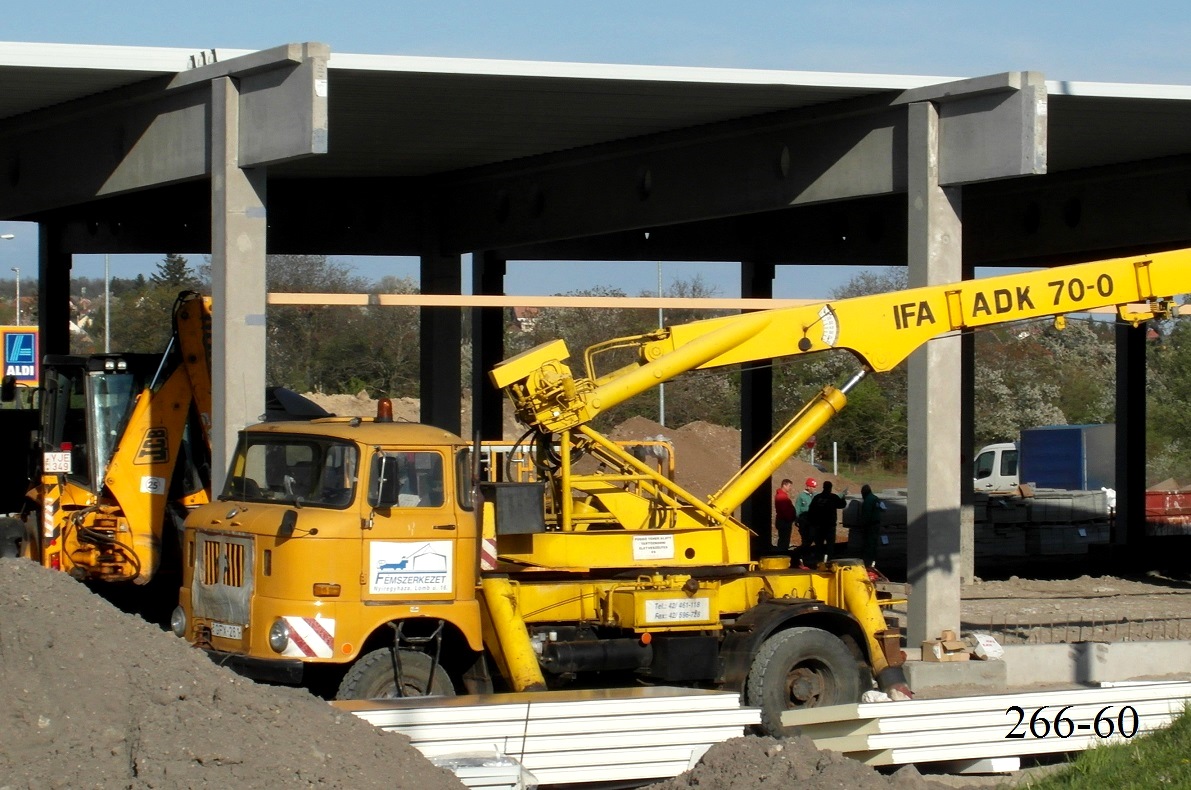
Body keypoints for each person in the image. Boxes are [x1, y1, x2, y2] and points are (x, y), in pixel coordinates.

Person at [805, 480, 847, 563]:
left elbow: (811, 511)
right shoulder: (833, 497)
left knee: (819, 546)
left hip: (818, 526)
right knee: (830, 546)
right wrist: (843, 498)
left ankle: (818, 561)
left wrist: (811, 523)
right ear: (830, 488)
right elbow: (842, 505)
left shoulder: (817, 498)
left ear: (823, 487)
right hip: (829, 527)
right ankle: (829, 562)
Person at [859, 483, 883, 569]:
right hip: (877, 524)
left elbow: (866, 515)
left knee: (869, 544)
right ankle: (874, 561)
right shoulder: (876, 498)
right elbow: (883, 509)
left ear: (864, 492)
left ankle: (868, 563)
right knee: (874, 543)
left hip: (870, 525)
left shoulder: (867, 501)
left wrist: (863, 525)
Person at [793, 477, 817, 561]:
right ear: (808, 487)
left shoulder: (815, 496)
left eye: (814, 487)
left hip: (812, 521)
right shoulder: (801, 497)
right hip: (804, 521)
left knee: (811, 537)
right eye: (812, 487)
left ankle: (804, 553)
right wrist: (796, 519)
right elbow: (797, 509)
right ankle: (801, 555)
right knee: (805, 539)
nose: (814, 489)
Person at [772, 479, 796, 553]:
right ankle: (782, 553)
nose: (790, 488)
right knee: (784, 540)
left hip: (784, 521)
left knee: (783, 539)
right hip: (784, 521)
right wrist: (790, 518)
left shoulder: (782, 496)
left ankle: (782, 552)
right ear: (784, 485)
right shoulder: (782, 497)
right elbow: (785, 511)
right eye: (789, 486)